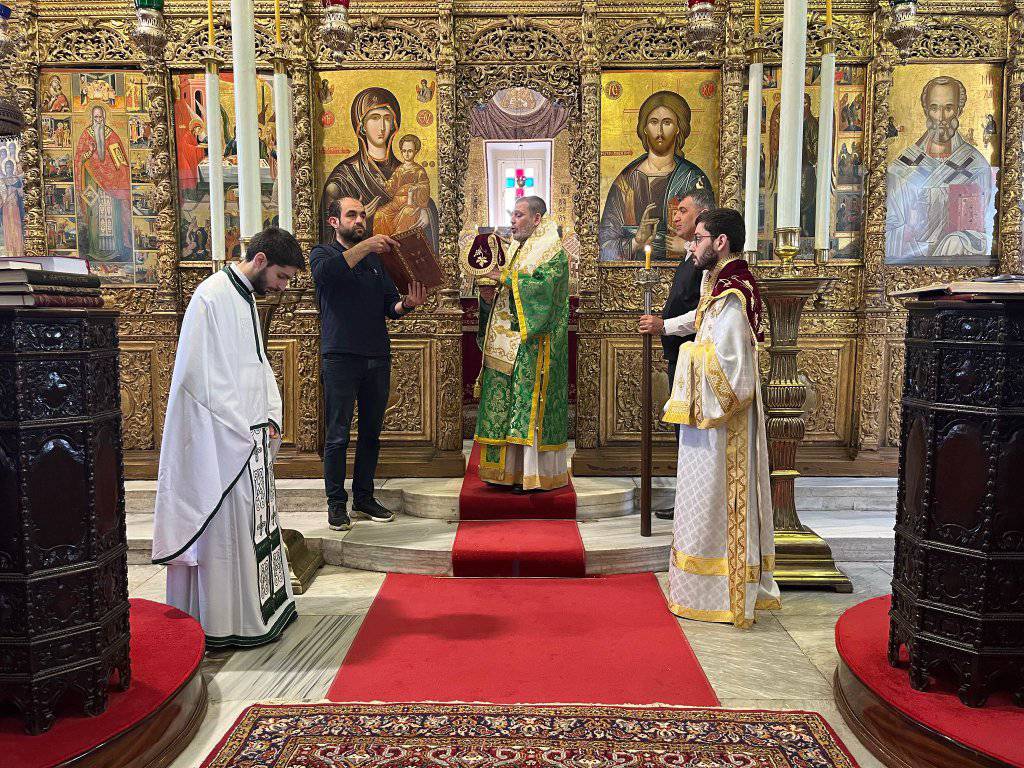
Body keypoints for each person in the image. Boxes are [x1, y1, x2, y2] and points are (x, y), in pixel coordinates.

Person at [152, 227, 305, 648]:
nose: (283, 286)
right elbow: (199, 379)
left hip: (250, 435)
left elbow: (256, 365)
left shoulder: (245, 297)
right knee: (226, 535)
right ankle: (224, 621)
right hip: (224, 439)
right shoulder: (211, 297)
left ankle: (258, 611)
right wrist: (242, 426)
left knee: (253, 529)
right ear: (260, 261)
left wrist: (269, 415)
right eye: (282, 276)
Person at [660, 208, 780, 628]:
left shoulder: (735, 292)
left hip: (723, 424)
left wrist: (687, 355)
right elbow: (701, 326)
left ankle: (724, 595)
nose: (692, 246)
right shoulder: (718, 283)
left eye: (698, 238)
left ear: (721, 242)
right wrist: (672, 332)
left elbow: (731, 369)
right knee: (700, 504)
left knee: (717, 504)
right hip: (705, 418)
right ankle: (698, 590)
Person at [312, 196, 427, 531]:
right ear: (334, 222)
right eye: (352, 215)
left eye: (363, 215)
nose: (360, 220)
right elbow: (326, 276)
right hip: (340, 357)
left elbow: (390, 306)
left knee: (371, 434)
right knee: (337, 435)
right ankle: (336, 504)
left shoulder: (375, 262)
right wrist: (366, 247)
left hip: (377, 356)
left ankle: (364, 498)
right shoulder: (323, 254)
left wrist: (407, 303)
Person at [474, 196, 570, 491]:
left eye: (519, 215)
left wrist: (504, 278)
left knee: (526, 407)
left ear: (537, 219)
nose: (512, 221)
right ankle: (505, 473)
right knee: (506, 406)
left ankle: (532, 475)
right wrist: (488, 296)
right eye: (512, 215)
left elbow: (541, 289)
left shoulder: (552, 252)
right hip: (509, 343)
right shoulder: (516, 250)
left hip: (537, 344)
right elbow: (506, 289)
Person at [637, 186, 714, 519]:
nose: (676, 216)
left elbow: (704, 312)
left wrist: (663, 325)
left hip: (694, 356)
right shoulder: (690, 256)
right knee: (683, 432)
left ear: (701, 215)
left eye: (683, 210)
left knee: (693, 432)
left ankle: (695, 504)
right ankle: (688, 500)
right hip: (681, 357)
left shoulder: (706, 262)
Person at [886, 76, 995, 264]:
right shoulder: (903, 166)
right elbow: (889, 226)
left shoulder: (975, 165)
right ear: (925, 110)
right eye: (934, 108)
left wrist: (956, 241)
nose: (942, 117)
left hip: (957, 264)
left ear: (959, 110)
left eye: (948, 108)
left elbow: (985, 228)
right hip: (910, 264)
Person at [599, 90, 713, 261]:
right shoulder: (626, 181)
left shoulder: (693, 178)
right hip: (631, 272)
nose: (659, 131)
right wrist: (636, 242)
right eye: (653, 122)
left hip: (686, 272)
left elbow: (713, 235)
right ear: (644, 128)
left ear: (678, 128)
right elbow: (605, 246)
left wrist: (687, 247)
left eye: (667, 123)